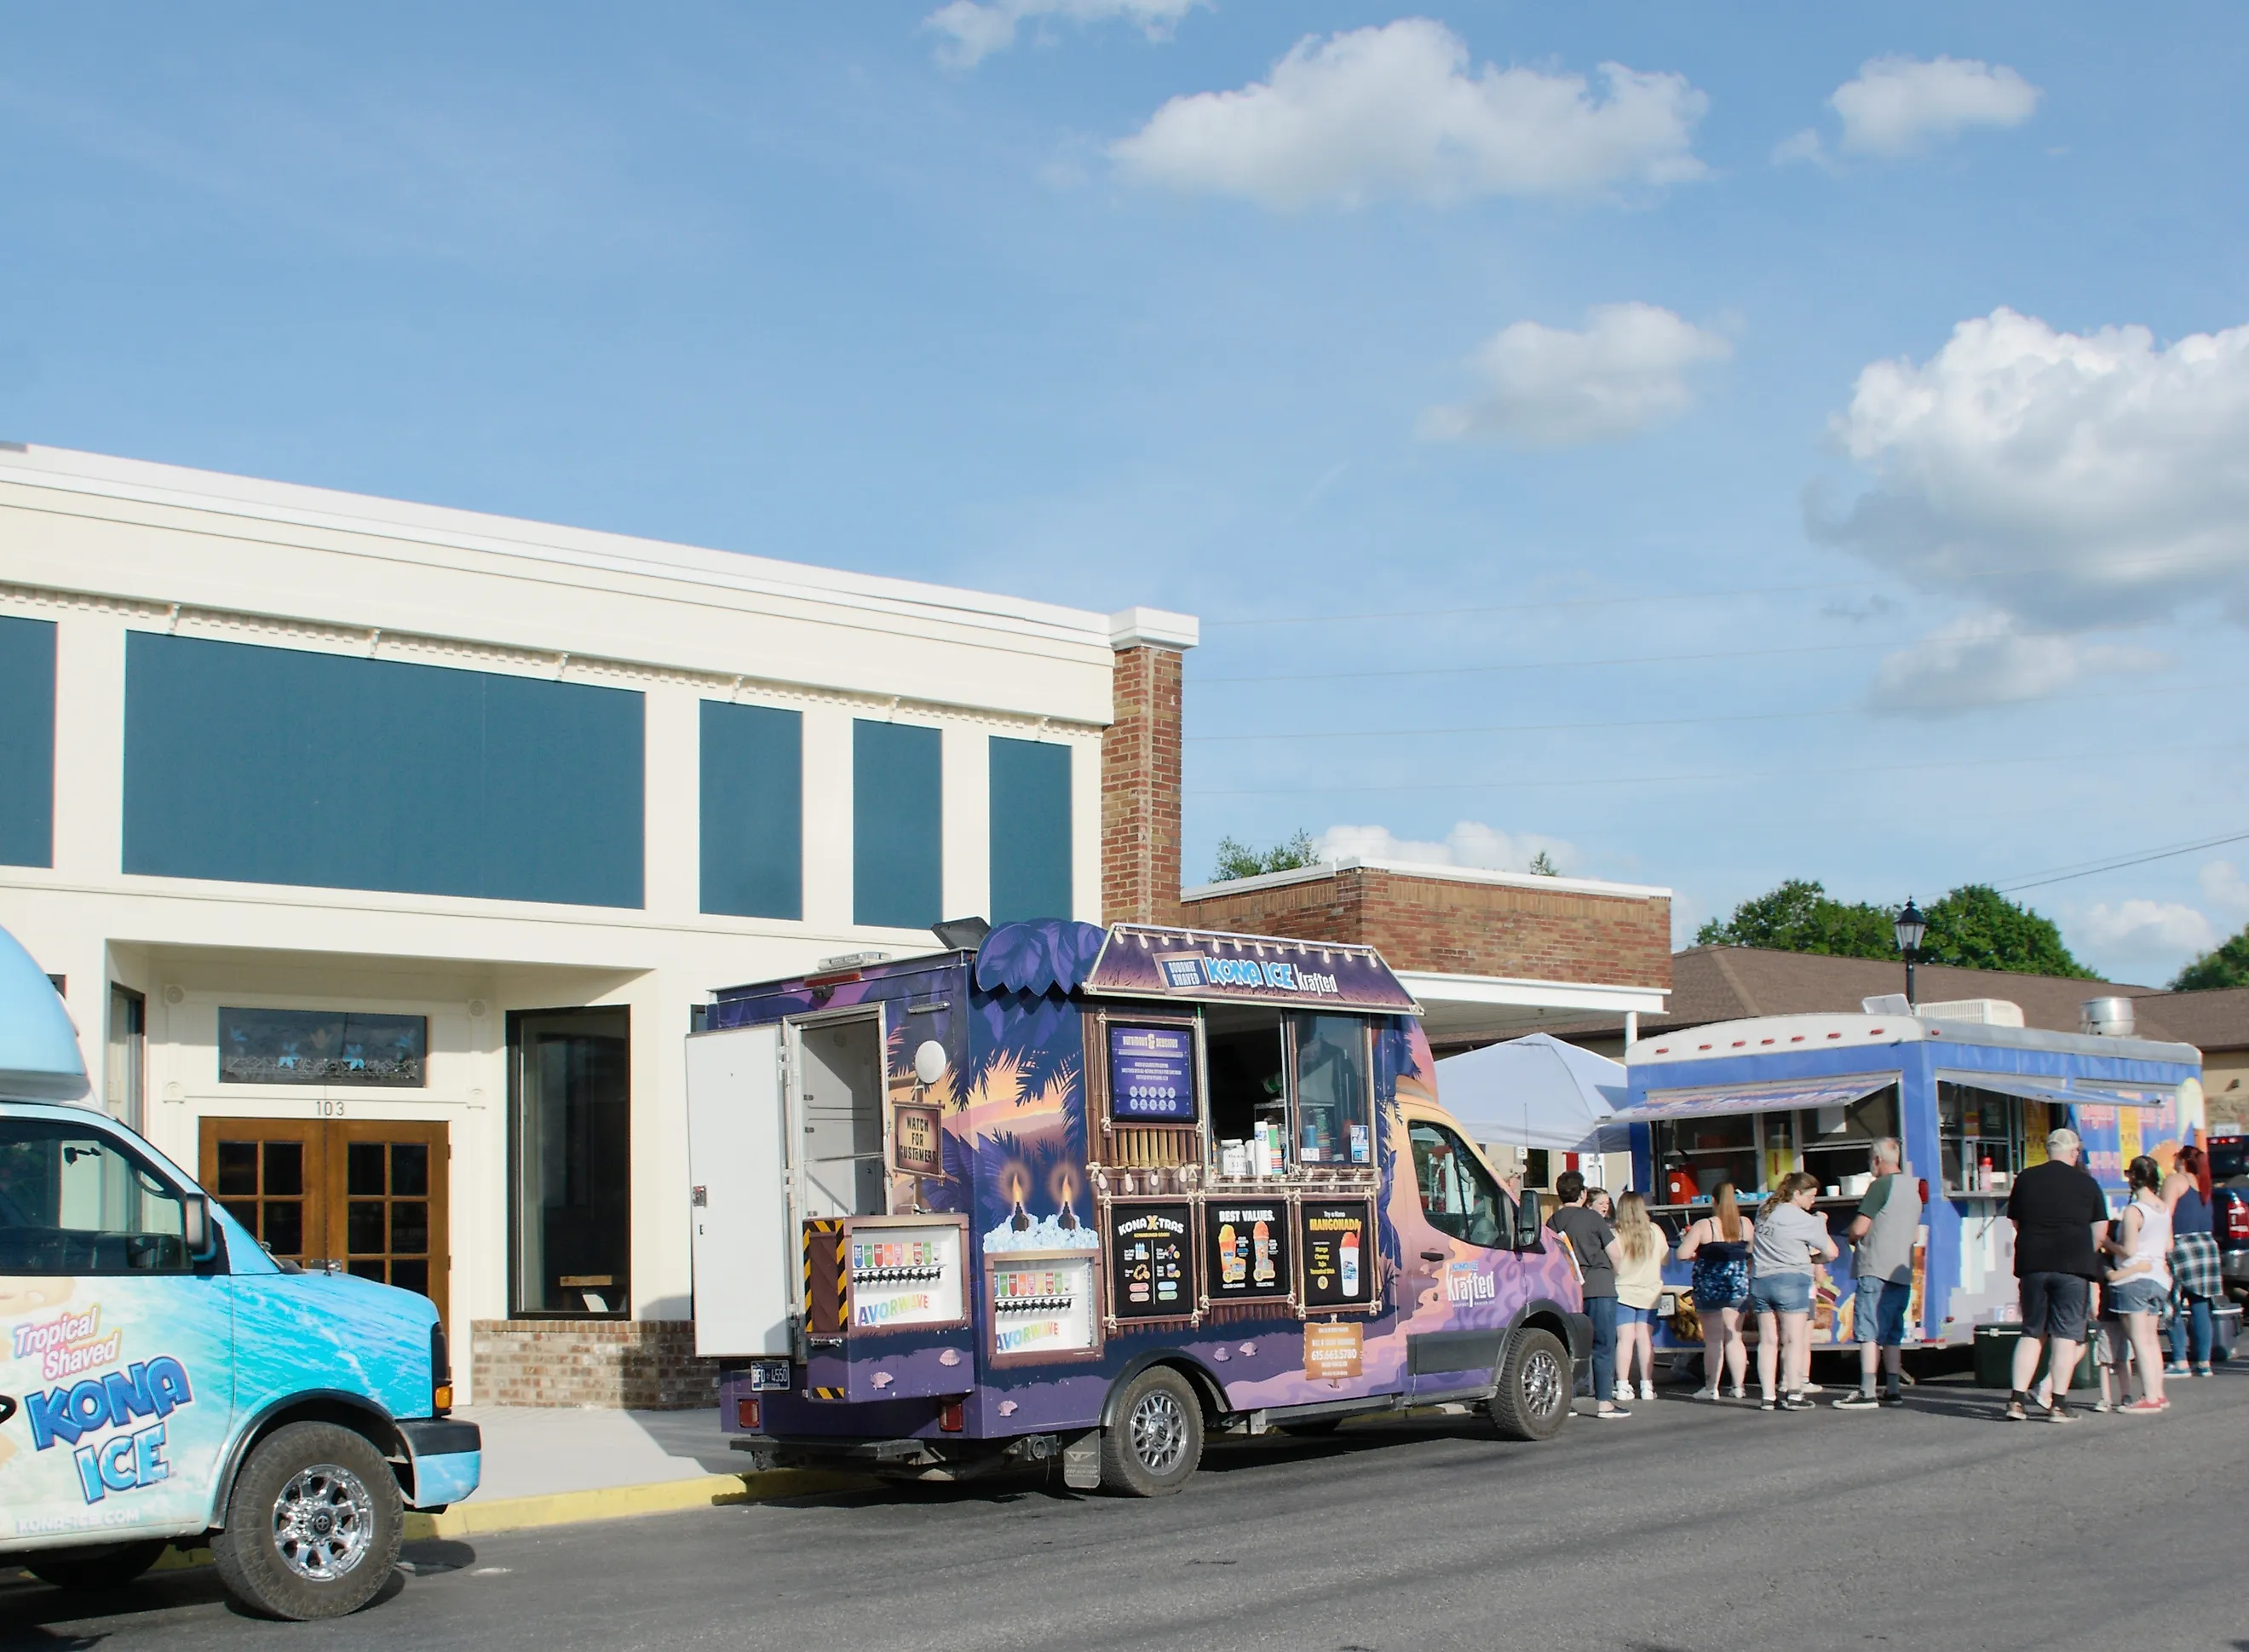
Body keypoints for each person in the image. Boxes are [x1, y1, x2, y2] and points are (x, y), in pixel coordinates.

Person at [2004, 1126, 2109, 1423]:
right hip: (2073, 1266)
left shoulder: (2026, 1179)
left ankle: (2016, 1401)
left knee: (2032, 1332)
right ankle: (2059, 1404)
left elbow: (2015, 1221)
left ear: (2048, 1151)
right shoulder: (2087, 1183)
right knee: (2066, 1336)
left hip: (2033, 1264)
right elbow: (2100, 1230)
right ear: (2074, 1153)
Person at [1834, 1137, 1922, 1410]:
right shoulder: (1913, 1187)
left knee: (1868, 1330)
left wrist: (1849, 1234)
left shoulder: (1879, 1186)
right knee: (1892, 1332)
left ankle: (1867, 1390)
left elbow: (1860, 1228)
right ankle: (1893, 1389)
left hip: (1875, 1266)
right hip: (1902, 1268)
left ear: (1876, 1160)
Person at [1750, 1172, 1838, 1411]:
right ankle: (1794, 1394)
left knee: (1768, 1341)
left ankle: (1768, 1397)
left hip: (1761, 1280)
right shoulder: (1806, 1220)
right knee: (1793, 1340)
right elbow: (1832, 1252)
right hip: (1791, 1280)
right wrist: (1815, 1254)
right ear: (1797, 1193)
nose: (1813, 1202)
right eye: (1810, 1196)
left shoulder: (1764, 1210)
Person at [1547, 1169, 1630, 1419]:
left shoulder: (1552, 1222)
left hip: (1568, 1289)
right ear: (1583, 1194)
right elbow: (1615, 1252)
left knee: (1570, 1345)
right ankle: (1604, 1402)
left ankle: (1567, 1400)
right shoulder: (1593, 1219)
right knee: (1604, 1344)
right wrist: (1614, 1274)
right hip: (1599, 1284)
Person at [2098, 1154, 2171, 1413]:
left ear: (2133, 1177)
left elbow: (2128, 1250)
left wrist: (2106, 1243)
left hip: (2133, 1279)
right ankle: (2158, 1393)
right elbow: (2168, 1245)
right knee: (2151, 1340)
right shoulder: (2162, 1208)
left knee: (2139, 1340)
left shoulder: (2134, 1210)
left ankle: (2150, 1396)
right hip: (2158, 1277)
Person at [1677, 1182, 1753, 1400]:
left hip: (1709, 1287)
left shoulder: (1704, 1225)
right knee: (1734, 1337)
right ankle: (1738, 1387)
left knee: (1713, 1340)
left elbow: (1683, 1253)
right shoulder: (1745, 1224)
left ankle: (1712, 1387)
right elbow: (1750, 1250)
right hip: (1736, 1286)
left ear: (1713, 1200)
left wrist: (1692, 1245)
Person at [2163, 1144, 2219, 1379]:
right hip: (2206, 1244)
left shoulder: (2175, 1180)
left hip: (2181, 1244)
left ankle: (2180, 1361)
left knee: (2172, 1303)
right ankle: (2204, 1362)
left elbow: (2164, 1215)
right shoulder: (2203, 1184)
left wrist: (2164, 1250)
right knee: (2200, 1305)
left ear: (2183, 1160)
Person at [1612, 1192, 1670, 1403]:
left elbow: (1612, 1263)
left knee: (1625, 1340)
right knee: (1645, 1339)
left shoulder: (1615, 1233)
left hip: (1623, 1291)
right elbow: (1665, 1259)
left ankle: (1623, 1385)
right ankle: (1647, 1385)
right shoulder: (1655, 1231)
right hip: (1650, 1292)